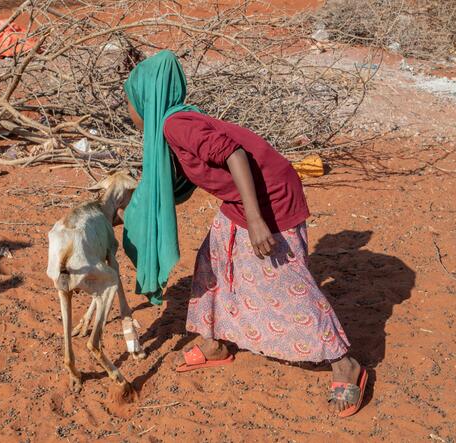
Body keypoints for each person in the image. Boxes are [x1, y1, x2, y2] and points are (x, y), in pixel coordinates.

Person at [120, 50, 367, 417]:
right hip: (246, 200)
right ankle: (214, 343)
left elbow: (234, 154)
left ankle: (345, 364)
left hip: (268, 202)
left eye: (129, 103)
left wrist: (255, 220)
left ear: (145, 99)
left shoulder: (177, 125)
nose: (130, 112)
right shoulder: (178, 121)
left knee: (285, 281)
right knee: (213, 260)